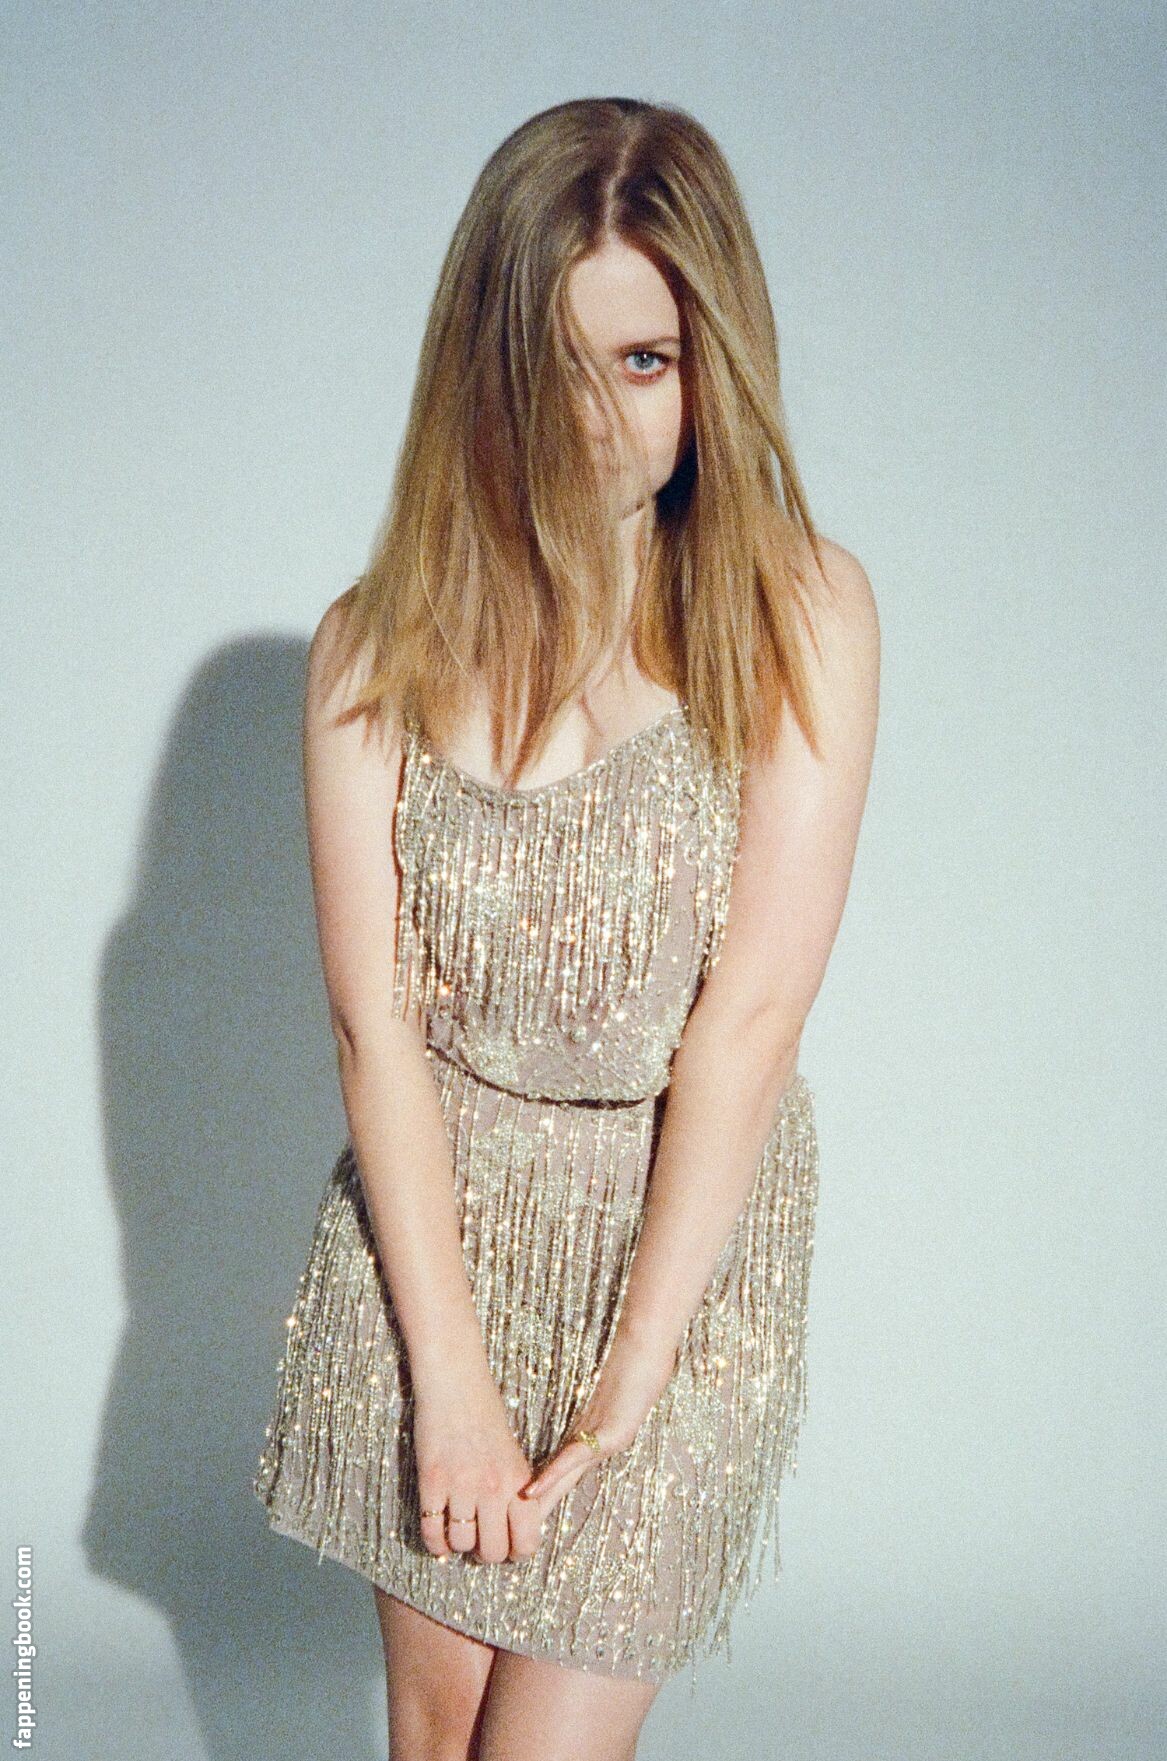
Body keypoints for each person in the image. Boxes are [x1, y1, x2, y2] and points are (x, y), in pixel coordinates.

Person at [253, 95, 879, 1760]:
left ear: (712, 364)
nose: (602, 421)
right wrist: (448, 1380)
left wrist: (633, 1377)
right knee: (443, 1733)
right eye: (559, 363)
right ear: (486, 365)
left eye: (647, 362)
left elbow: (751, 1021)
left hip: (683, 1251)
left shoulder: (800, 612)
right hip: (433, 1250)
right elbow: (376, 1027)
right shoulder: (371, 650)